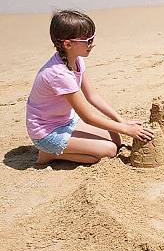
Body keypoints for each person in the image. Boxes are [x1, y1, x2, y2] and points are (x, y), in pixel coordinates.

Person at [26, 10, 154, 165]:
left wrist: (122, 122)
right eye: (88, 40)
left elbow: (92, 96)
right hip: (46, 132)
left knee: (115, 138)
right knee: (110, 151)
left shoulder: (77, 60)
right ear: (68, 44)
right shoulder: (59, 74)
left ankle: (62, 150)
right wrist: (127, 130)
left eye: (92, 38)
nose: (92, 44)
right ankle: (49, 154)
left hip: (66, 121)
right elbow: (88, 118)